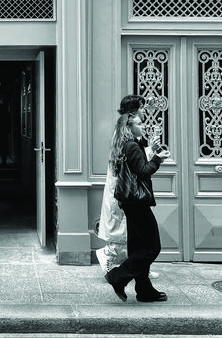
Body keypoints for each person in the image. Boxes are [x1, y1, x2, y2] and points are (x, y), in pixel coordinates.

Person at [105, 103, 169, 303]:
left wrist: (152, 151)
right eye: (140, 123)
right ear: (130, 126)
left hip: (130, 202)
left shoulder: (129, 143)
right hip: (137, 203)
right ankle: (118, 276)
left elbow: (137, 166)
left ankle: (144, 289)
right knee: (152, 247)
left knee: (138, 246)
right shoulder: (131, 145)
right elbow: (143, 171)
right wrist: (158, 159)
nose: (143, 125)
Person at [96, 95, 159, 279]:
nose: (144, 110)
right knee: (130, 234)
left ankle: (139, 270)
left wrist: (150, 150)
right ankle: (117, 265)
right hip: (128, 190)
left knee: (133, 235)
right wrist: (155, 156)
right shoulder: (127, 134)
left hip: (125, 188)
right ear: (133, 112)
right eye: (141, 107)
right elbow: (134, 162)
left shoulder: (128, 131)